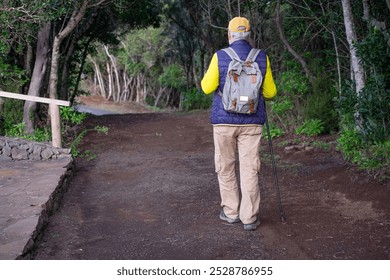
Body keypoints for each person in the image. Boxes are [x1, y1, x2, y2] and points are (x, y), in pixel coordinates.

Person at [201, 17, 277, 231]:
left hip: (224, 122)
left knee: (225, 167)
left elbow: (207, 88)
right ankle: (249, 217)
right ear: (249, 34)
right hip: (252, 123)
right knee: (250, 168)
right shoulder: (261, 57)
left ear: (229, 35)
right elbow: (271, 93)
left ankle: (231, 212)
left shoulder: (220, 57)